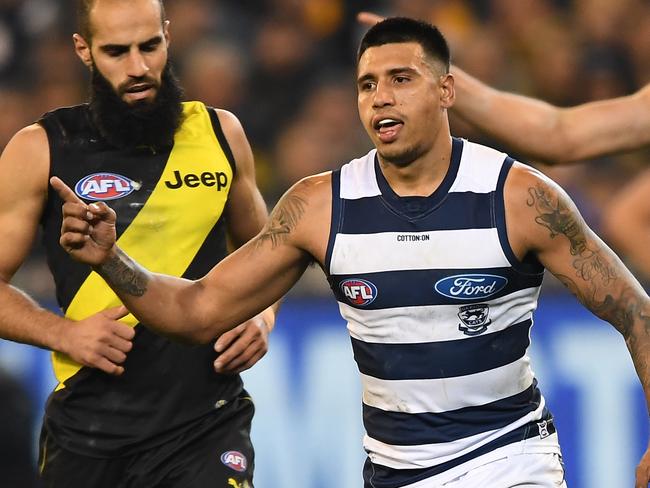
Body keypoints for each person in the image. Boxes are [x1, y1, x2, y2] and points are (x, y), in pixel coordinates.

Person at [53, 17, 650, 488]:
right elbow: (198, 310)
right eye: (367, 84)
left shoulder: (519, 198)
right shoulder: (322, 206)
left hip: (508, 459)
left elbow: (636, 313)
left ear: (446, 91)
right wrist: (112, 260)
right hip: (390, 469)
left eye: (401, 79)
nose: (380, 98)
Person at [0, 0, 274, 486]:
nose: (138, 67)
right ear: (83, 51)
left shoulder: (221, 132)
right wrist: (62, 334)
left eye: (150, 46)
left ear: (168, 35)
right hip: (88, 430)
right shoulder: (40, 147)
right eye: (116, 52)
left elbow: (270, 252)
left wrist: (260, 314)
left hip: (207, 423)